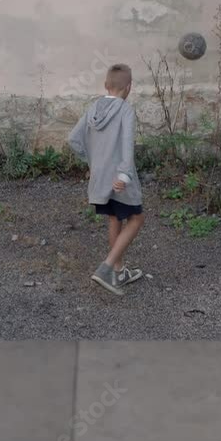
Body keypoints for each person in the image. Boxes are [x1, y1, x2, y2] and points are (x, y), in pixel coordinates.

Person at [68, 63, 145, 295]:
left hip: (100, 178)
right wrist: (124, 174)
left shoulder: (93, 108)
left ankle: (119, 272)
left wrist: (93, 162)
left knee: (114, 219)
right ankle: (106, 267)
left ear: (105, 85)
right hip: (119, 179)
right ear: (129, 87)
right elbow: (126, 145)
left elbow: (73, 139)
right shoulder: (125, 110)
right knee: (137, 219)